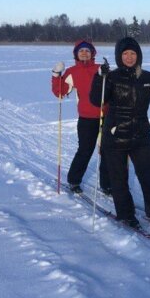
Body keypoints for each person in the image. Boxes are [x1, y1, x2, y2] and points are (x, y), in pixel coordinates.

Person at [89, 36, 150, 229]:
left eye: (133, 53)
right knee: (119, 179)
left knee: (148, 176)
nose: (130, 57)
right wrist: (100, 77)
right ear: (119, 56)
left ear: (138, 55)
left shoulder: (148, 77)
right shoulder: (112, 77)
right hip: (115, 135)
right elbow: (96, 100)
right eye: (125, 53)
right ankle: (126, 215)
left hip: (140, 135)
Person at [51, 39, 110, 194]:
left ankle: (107, 184)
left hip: (106, 116)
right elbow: (60, 92)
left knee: (107, 151)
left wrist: (106, 74)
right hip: (86, 118)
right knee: (85, 150)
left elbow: (113, 89)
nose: (84, 53)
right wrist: (57, 75)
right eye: (81, 51)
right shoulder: (72, 72)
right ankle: (74, 180)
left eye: (87, 51)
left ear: (92, 53)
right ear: (76, 54)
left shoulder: (100, 68)